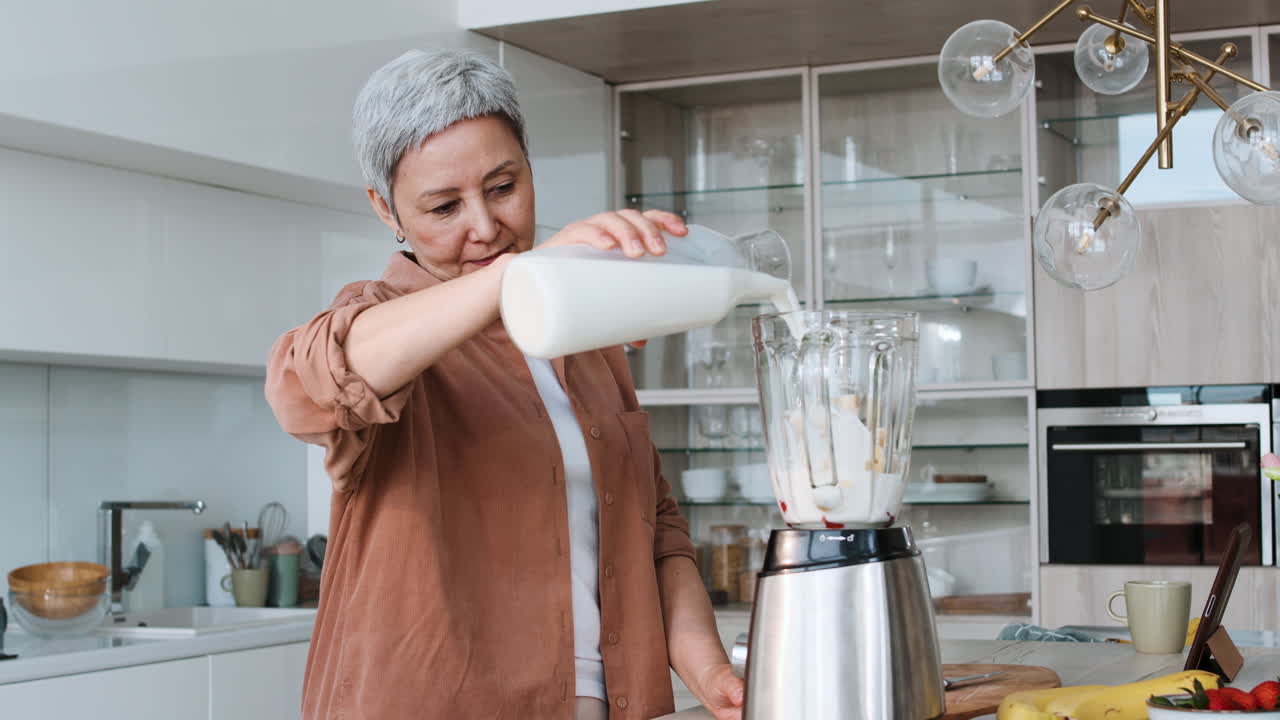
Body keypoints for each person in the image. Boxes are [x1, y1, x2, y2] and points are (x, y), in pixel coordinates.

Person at [265, 48, 744, 720]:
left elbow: (656, 533)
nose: (485, 228)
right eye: (443, 207)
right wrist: (526, 274)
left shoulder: (587, 336)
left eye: (502, 187)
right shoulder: (378, 323)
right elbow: (306, 386)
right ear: (386, 209)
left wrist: (710, 672)